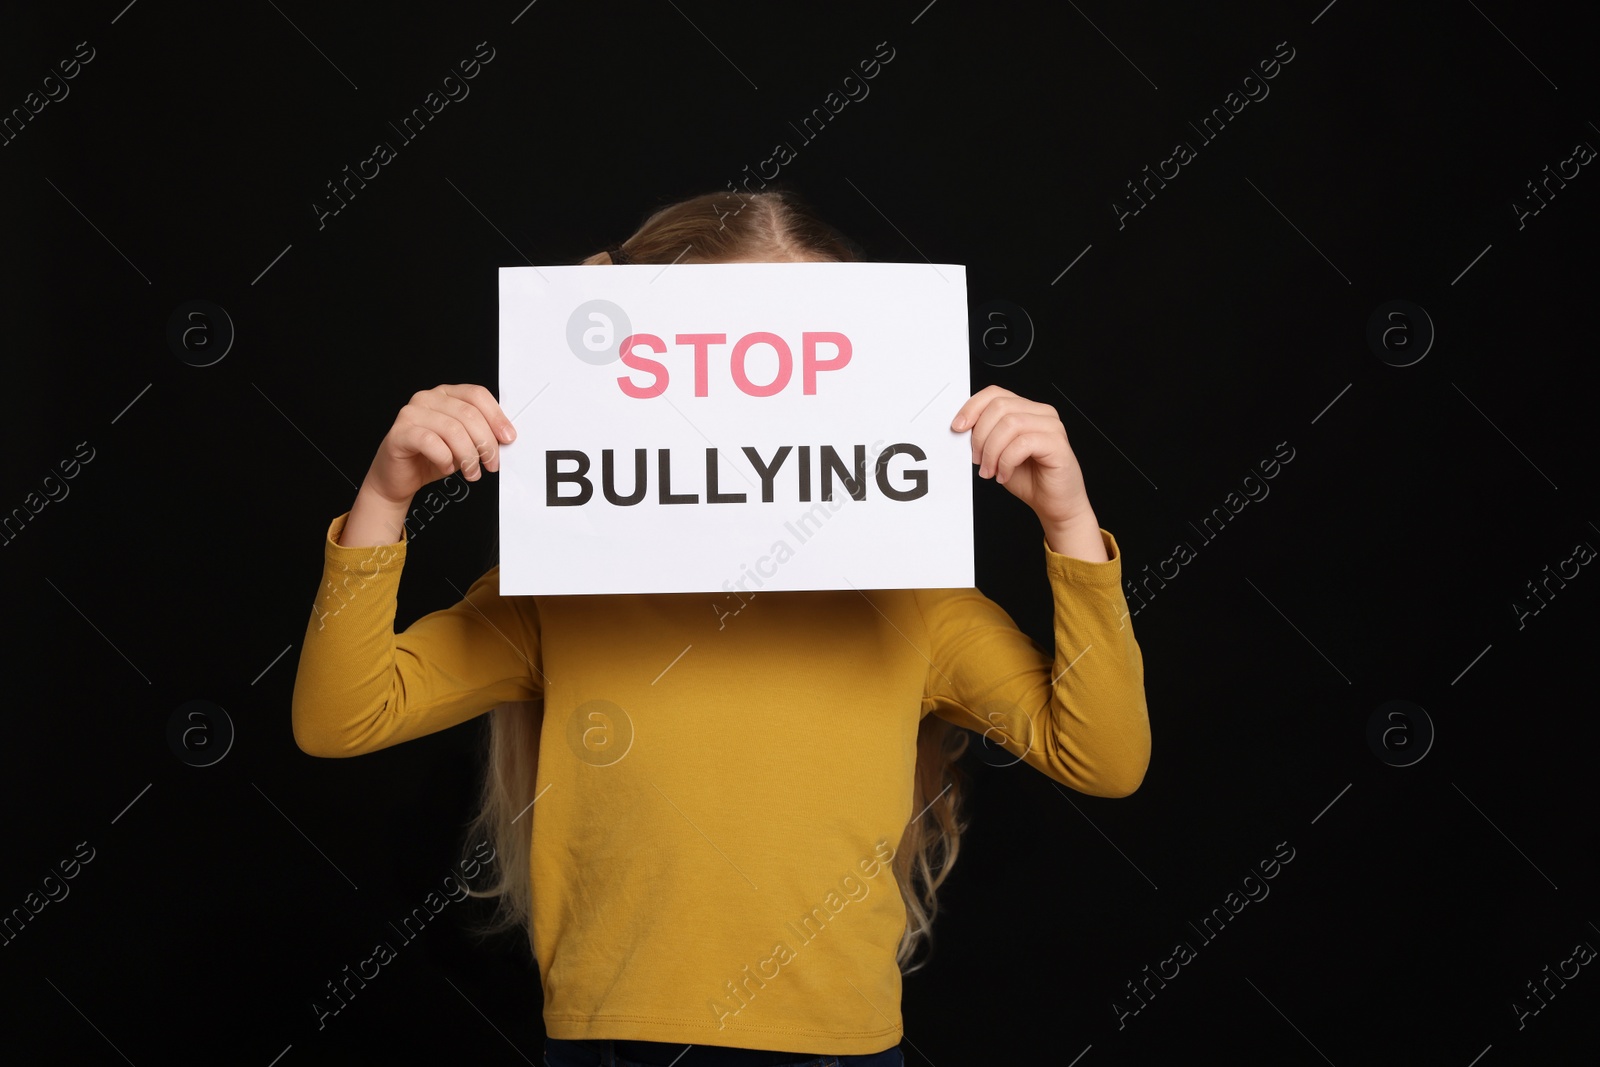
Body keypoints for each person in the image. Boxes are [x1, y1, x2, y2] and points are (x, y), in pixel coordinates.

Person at [291, 189, 1151, 1067]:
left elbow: (1103, 756)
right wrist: (385, 496)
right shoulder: (565, 581)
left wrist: (1069, 523)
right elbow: (341, 716)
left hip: (836, 1052)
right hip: (613, 1049)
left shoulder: (911, 599)